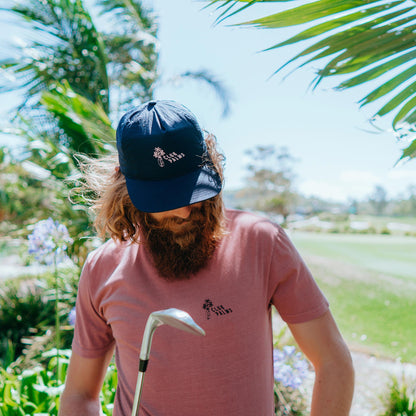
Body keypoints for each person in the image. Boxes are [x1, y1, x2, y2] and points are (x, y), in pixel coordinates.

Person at [59, 100, 354, 416]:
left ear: (212, 166)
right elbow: (79, 395)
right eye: (163, 198)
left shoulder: (262, 242)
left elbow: (332, 363)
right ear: (126, 187)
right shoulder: (102, 267)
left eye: (192, 190)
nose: (184, 210)